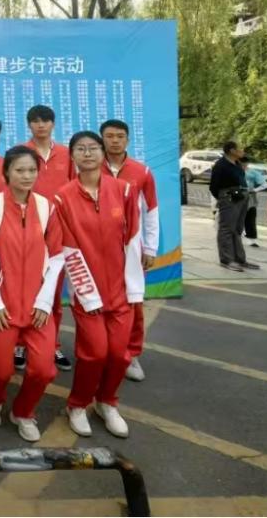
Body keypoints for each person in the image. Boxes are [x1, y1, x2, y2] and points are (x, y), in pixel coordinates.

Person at [53, 132, 141, 439]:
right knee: (94, 353)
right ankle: (77, 405)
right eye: (81, 149)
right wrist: (85, 292)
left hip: (121, 289)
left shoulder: (123, 190)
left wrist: (133, 286)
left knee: (119, 354)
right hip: (87, 290)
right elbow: (67, 246)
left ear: (103, 153)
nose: (87, 153)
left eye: (93, 148)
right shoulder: (62, 197)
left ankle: (107, 402)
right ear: (72, 156)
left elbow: (133, 238)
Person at [0, 146, 64, 442]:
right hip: (1, 306)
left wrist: (45, 300)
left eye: (32, 170)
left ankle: (23, 412)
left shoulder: (46, 207)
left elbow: (57, 256)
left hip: (37, 306)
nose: (27, 176)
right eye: (19, 170)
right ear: (6, 173)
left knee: (43, 370)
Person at [99, 120, 158, 383]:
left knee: (132, 301)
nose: (115, 141)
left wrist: (150, 247)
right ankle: (100, 352)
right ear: (102, 139)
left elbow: (151, 210)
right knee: (96, 301)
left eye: (120, 136)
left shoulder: (141, 171)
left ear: (128, 140)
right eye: (109, 136)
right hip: (95, 248)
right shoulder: (88, 168)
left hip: (130, 248)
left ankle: (131, 353)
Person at [24, 105, 75, 372]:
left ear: (53, 124)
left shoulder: (67, 154)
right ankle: (19, 344)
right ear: (29, 125)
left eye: (45, 120)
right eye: (35, 121)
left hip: (58, 229)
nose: (41, 125)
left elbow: (75, 189)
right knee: (22, 287)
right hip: (26, 229)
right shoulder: (21, 153)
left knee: (53, 289)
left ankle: (53, 344)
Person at [209, 141, 258, 272]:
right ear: (232, 150)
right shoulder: (221, 165)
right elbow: (213, 186)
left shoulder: (237, 164)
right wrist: (224, 198)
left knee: (237, 229)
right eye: (239, 149)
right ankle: (226, 260)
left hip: (242, 196)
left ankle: (240, 259)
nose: (242, 151)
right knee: (226, 229)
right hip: (229, 197)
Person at [241, 155, 267, 247]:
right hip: (235, 197)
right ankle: (238, 234)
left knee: (250, 217)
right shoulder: (233, 171)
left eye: (244, 163)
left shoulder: (253, 172)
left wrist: (255, 190)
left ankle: (251, 239)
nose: (243, 165)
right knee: (236, 217)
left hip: (250, 197)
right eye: (241, 163)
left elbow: (265, 184)